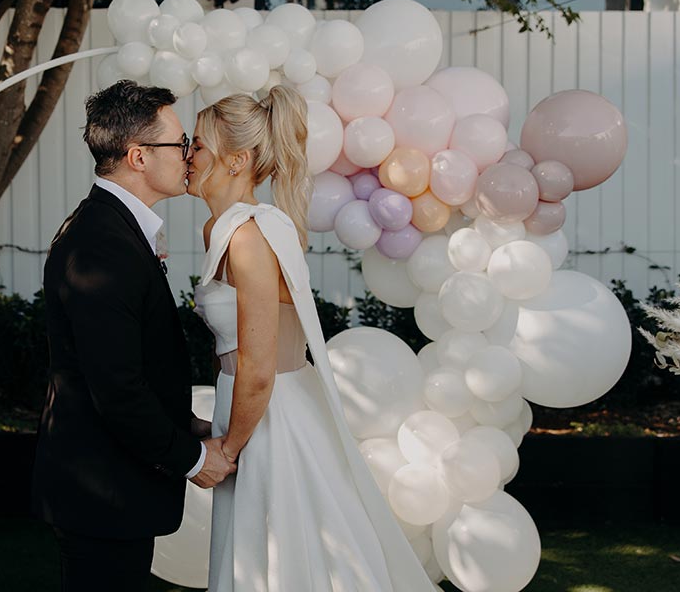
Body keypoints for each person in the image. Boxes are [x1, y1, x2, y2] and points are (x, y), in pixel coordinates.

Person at [188, 87, 437, 591]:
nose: (187, 156)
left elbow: (258, 368)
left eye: (196, 145)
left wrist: (228, 450)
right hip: (255, 409)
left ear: (236, 159)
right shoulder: (226, 229)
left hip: (269, 420)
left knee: (282, 561)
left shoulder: (248, 237)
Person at [32, 80, 236, 592]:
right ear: (138, 156)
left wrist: (187, 423)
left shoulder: (113, 228)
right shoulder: (103, 245)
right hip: (101, 490)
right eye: (181, 142)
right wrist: (195, 460)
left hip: (112, 485)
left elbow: (132, 359)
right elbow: (116, 388)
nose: (190, 154)